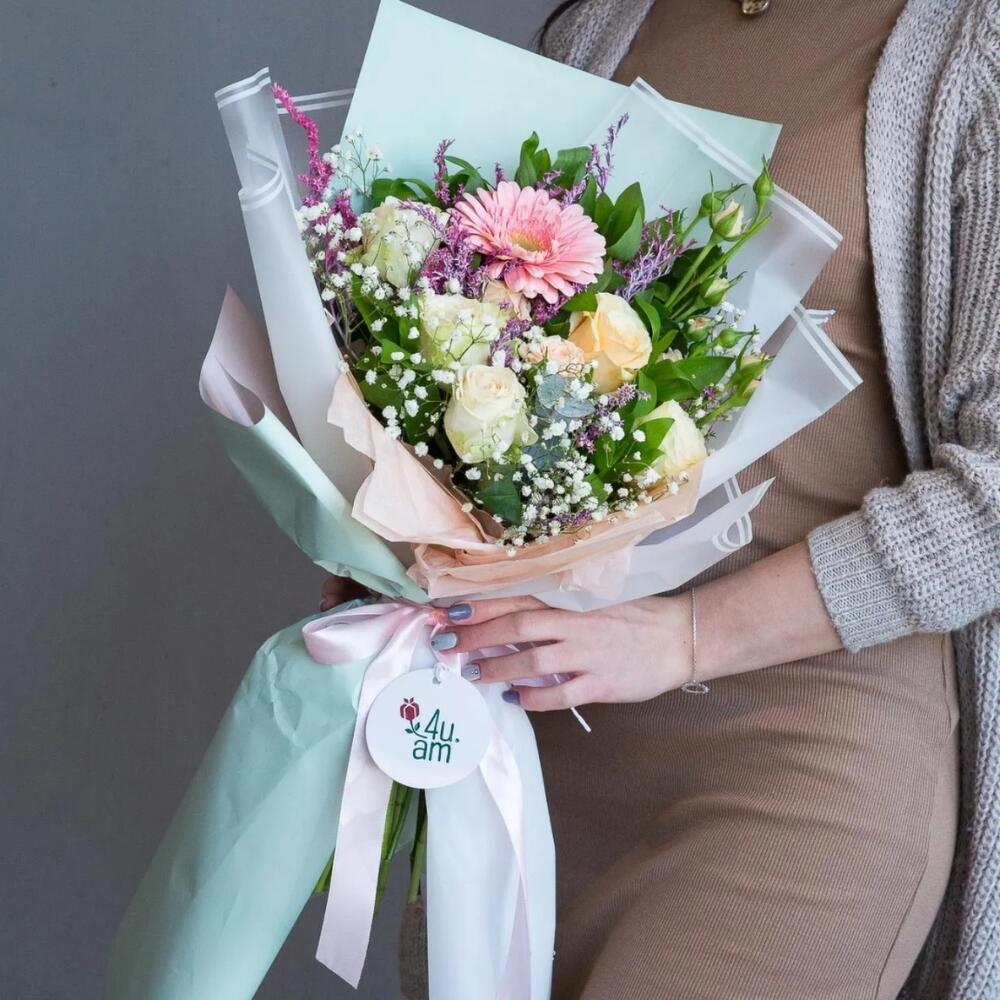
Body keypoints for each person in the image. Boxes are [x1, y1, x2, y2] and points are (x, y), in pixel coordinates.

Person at [322, 1, 1000, 996]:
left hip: (799, 752)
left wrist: (683, 637)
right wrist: (388, 531)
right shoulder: (602, 23)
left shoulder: (974, 52)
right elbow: (487, 338)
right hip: (531, 728)